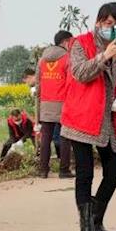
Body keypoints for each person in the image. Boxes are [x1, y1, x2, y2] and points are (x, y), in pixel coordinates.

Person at [60, 3, 116, 231]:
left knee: (113, 173)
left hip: (110, 120)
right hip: (82, 117)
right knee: (85, 173)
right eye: (107, 23)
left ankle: (96, 219)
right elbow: (80, 73)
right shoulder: (80, 43)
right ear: (98, 22)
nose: (111, 28)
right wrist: (104, 56)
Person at [36, 30, 74, 178]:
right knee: (65, 137)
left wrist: (40, 104)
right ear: (65, 42)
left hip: (46, 102)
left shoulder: (42, 60)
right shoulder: (67, 59)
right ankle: (64, 170)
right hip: (63, 103)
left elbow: (38, 84)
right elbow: (71, 83)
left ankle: (43, 170)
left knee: (45, 138)